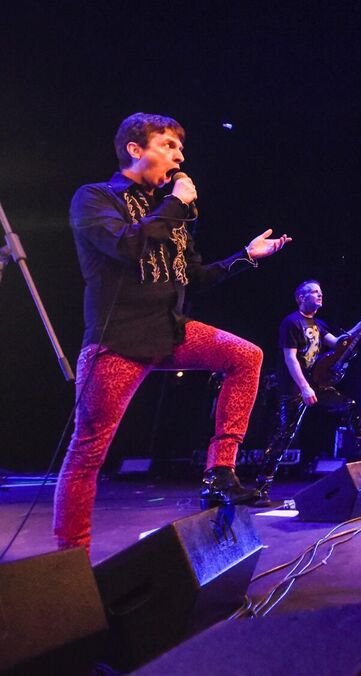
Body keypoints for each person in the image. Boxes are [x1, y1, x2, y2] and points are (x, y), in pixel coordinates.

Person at [54, 112, 291, 554]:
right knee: (87, 454)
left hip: (172, 331)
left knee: (246, 356)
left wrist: (247, 256)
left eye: (181, 149)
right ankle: (70, 559)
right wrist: (177, 203)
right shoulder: (95, 198)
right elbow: (127, 246)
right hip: (118, 344)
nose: (179, 156)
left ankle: (221, 471)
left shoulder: (173, 211)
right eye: (169, 146)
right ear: (135, 149)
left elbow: (194, 277)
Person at [255, 279, 361, 504]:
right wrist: (303, 387)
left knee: (347, 405)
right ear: (301, 297)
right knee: (285, 436)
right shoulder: (291, 323)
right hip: (294, 385)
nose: (319, 295)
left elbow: (339, 342)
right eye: (313, 292)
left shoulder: (319, 325)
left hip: (315, 383)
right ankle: (260, 489)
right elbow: (290, 358)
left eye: (320, 292)